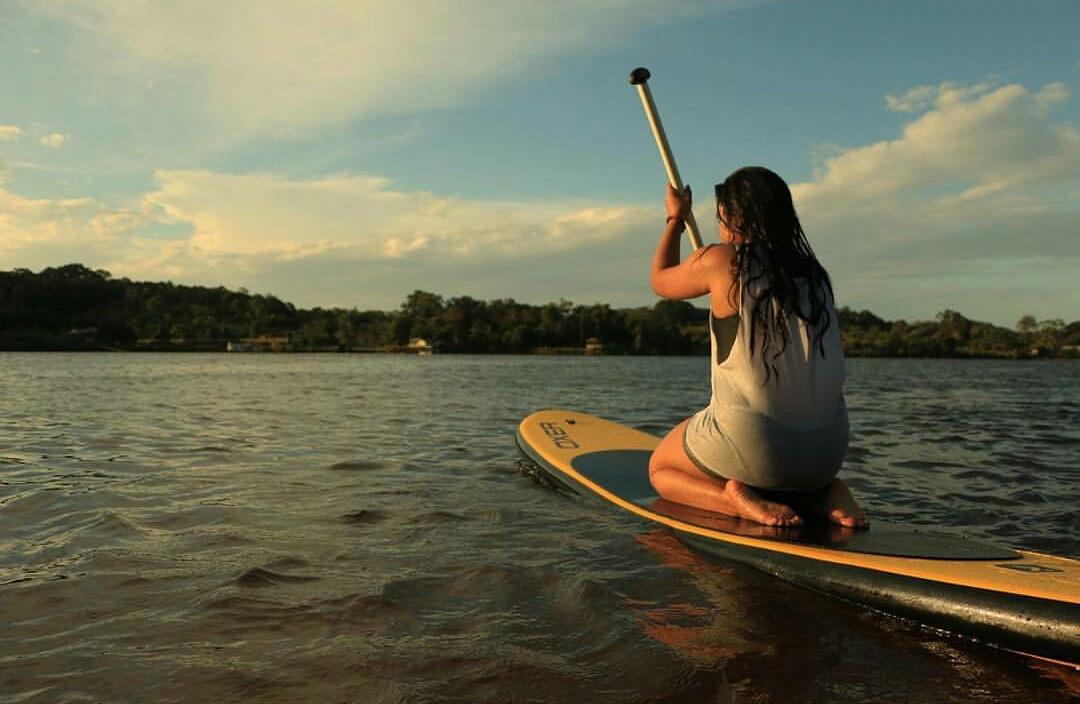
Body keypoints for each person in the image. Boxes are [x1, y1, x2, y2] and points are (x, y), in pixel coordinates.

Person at [648, 166, 867, 528]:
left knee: (661, 467)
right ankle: (828, 493)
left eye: (721, 216)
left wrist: (675, 217)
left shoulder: (721, 260)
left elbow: (660, 280)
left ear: (733, 216)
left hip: (757, 445)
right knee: (777, 455)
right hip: (829, 452)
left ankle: (733, 500)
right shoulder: (815, 274)